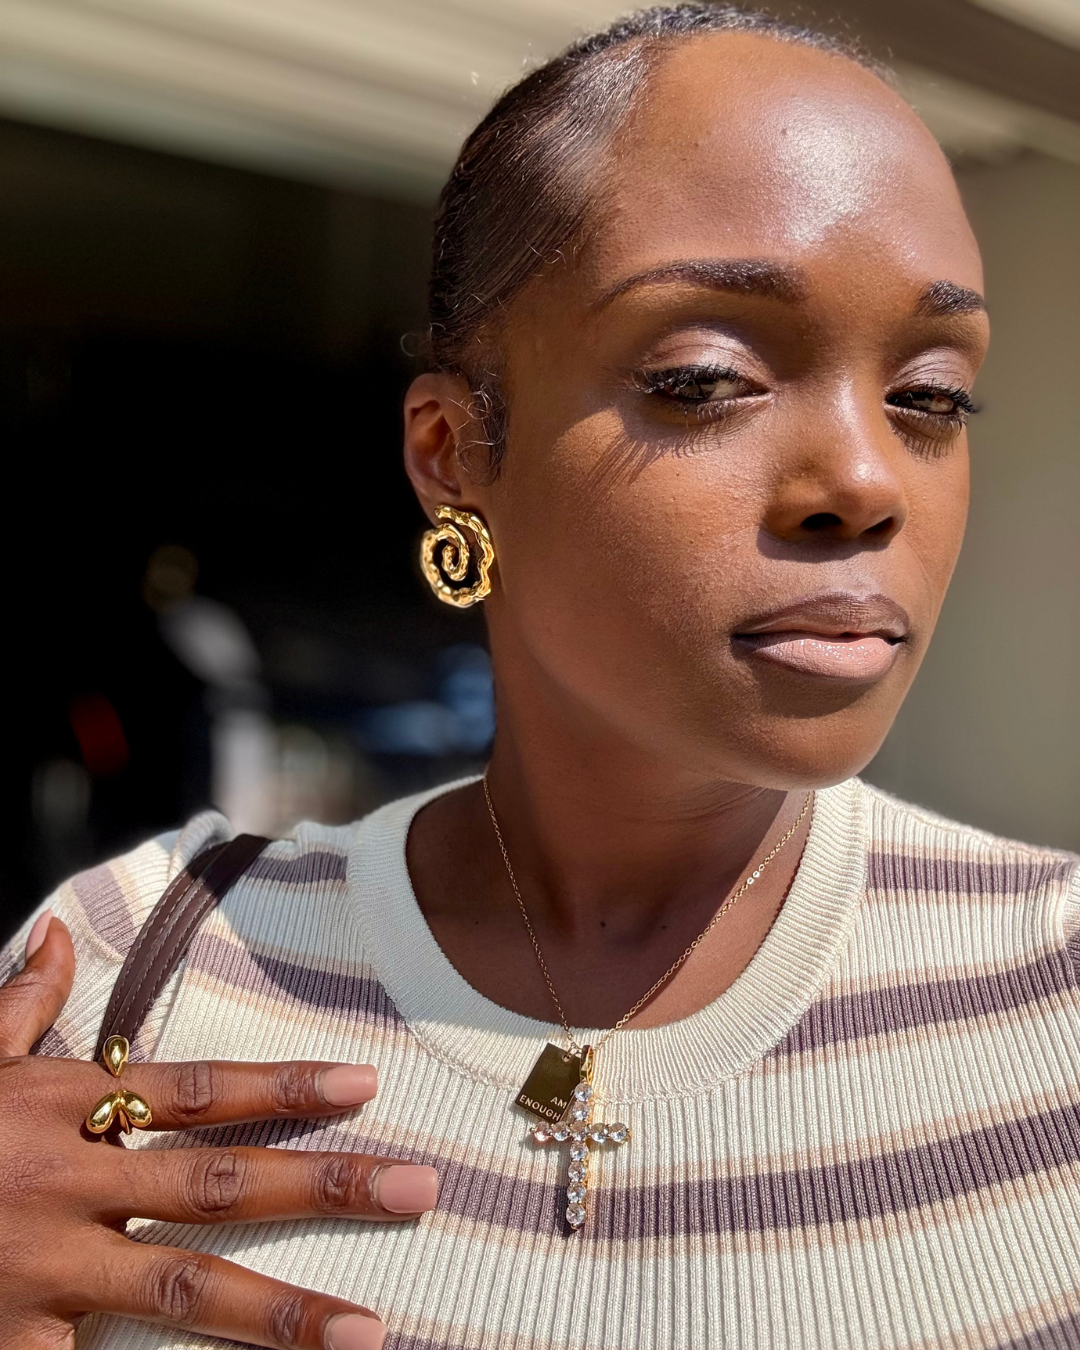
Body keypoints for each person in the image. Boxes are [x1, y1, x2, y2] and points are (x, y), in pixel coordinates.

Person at [1, 5, 1076, 1348]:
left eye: (930, 396)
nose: (865, 481)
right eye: (705, 377)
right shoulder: (130, 976)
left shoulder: (1062, 990)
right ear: (455, 449)